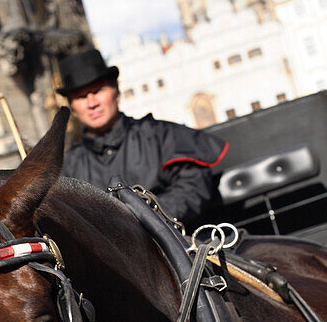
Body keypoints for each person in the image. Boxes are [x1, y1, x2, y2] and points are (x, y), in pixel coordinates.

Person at [59, 48, 227, 227]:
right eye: (81, 97)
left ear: (117, 92)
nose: (92, 103)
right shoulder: (68, 168)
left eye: (98, 91)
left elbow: (192, 187)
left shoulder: (159, 135)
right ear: (73, 108)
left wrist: (146, 220)